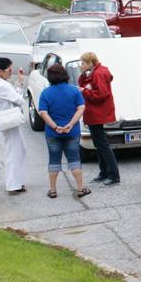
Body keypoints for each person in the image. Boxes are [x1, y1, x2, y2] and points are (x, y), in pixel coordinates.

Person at [37, 63, 89, 199]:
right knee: (74, 159)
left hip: (53, 133)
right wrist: (70, 125)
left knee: (54, 160)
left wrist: (55, 126)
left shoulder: (46, 92)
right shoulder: (74, 90)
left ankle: (53, 190)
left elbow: (43, 112)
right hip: (72, 132)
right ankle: (80, 188)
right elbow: (81, 108)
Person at [78, 52, 120, 187]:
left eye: (83, 63)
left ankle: (113, 175)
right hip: (94, 113)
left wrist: (84, 91)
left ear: (90, 63)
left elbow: (101, 94)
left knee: (103, 144)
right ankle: (104, 172)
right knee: (99, 144)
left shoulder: (98, 74)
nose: (81, 65)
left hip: (97, 113)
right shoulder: (93, 73)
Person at [0, 58, 27, 195]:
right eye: (9, 70)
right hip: (9, 120)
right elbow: (19, 99)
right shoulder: (2, 85)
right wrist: (19, 83)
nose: (10, 73)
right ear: (0, 71)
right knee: (14, 151)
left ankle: (16, 181)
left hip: (9, 119)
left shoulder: (0, 82)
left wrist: (18, 82)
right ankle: (13, 184)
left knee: (18, 150)